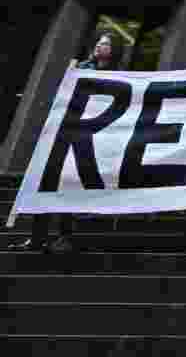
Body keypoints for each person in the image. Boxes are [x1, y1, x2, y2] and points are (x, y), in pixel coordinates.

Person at [14, 30, 123, 253]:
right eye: (98, 43)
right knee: (47, 184)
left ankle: (65, 236)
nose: (99, 47)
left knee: (70, 187)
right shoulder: (82, 68)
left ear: (114, 51)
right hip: (65, 134)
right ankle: (37, 237)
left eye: (105, 44)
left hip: (89, 138)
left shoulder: (118, 76)